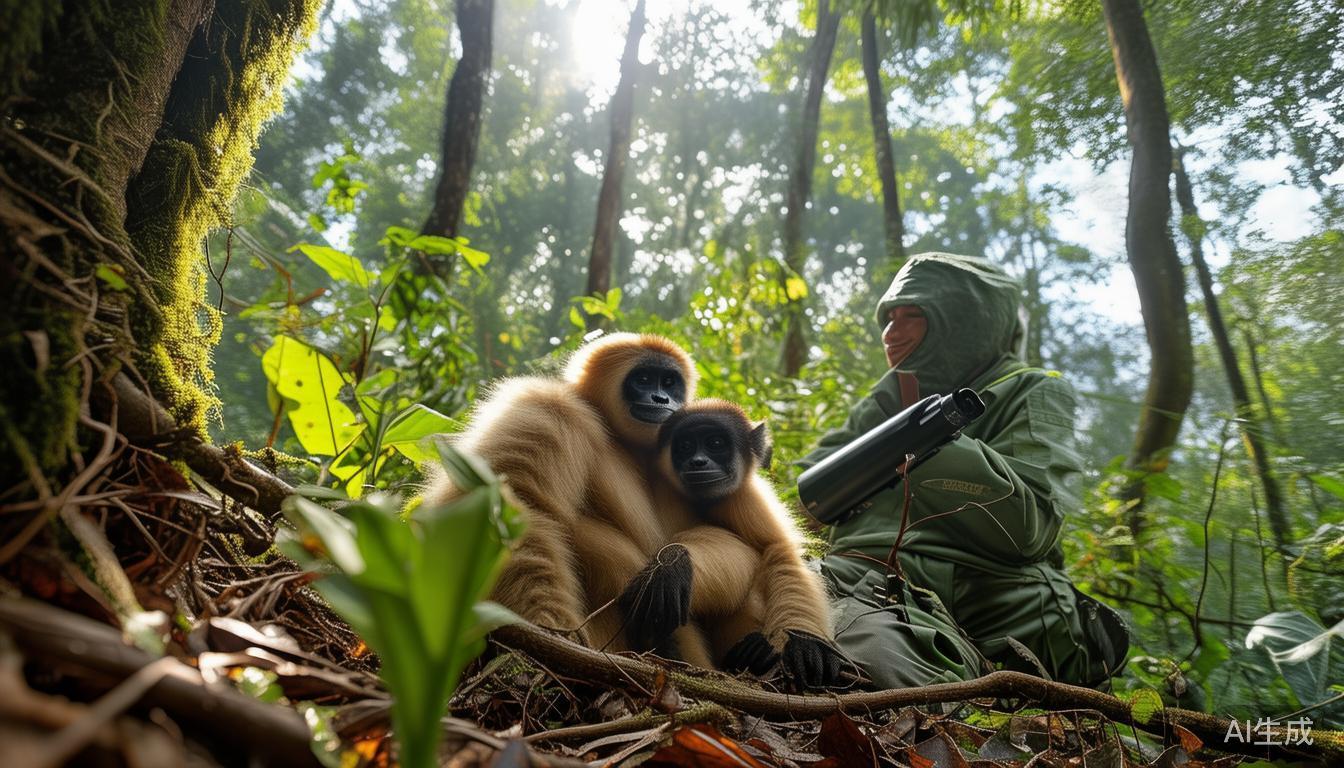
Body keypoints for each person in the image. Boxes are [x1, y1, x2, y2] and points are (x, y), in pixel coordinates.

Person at [798, 252, 1128, 689]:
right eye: (887, 320)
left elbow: (1029, 527)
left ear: (964, 321)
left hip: (978, 602)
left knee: (862, 660)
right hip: (852, 575)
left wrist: (931, 442)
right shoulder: (882, 403)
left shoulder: (1030, 391)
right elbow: (798, 497)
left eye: (910, 316)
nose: (890, 334)